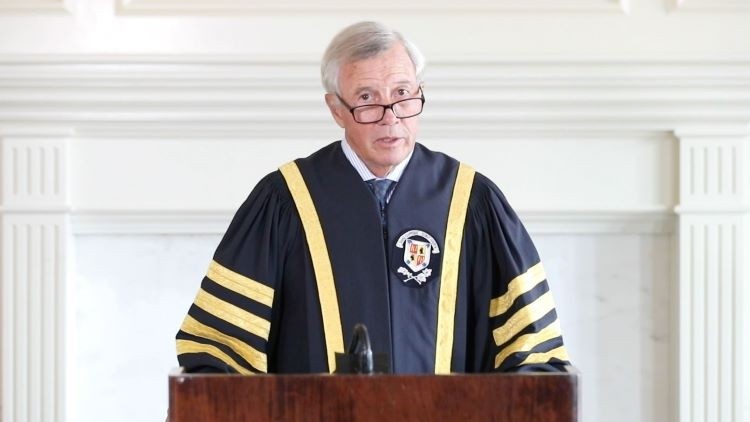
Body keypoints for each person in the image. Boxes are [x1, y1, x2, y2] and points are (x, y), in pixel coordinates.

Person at [175, 21, 570, 374]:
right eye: (367, 98)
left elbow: (533, 351)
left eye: (402, 93)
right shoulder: (284, 202)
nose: (390, 116)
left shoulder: (473, 202)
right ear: (336, 109)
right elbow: (219, 350)